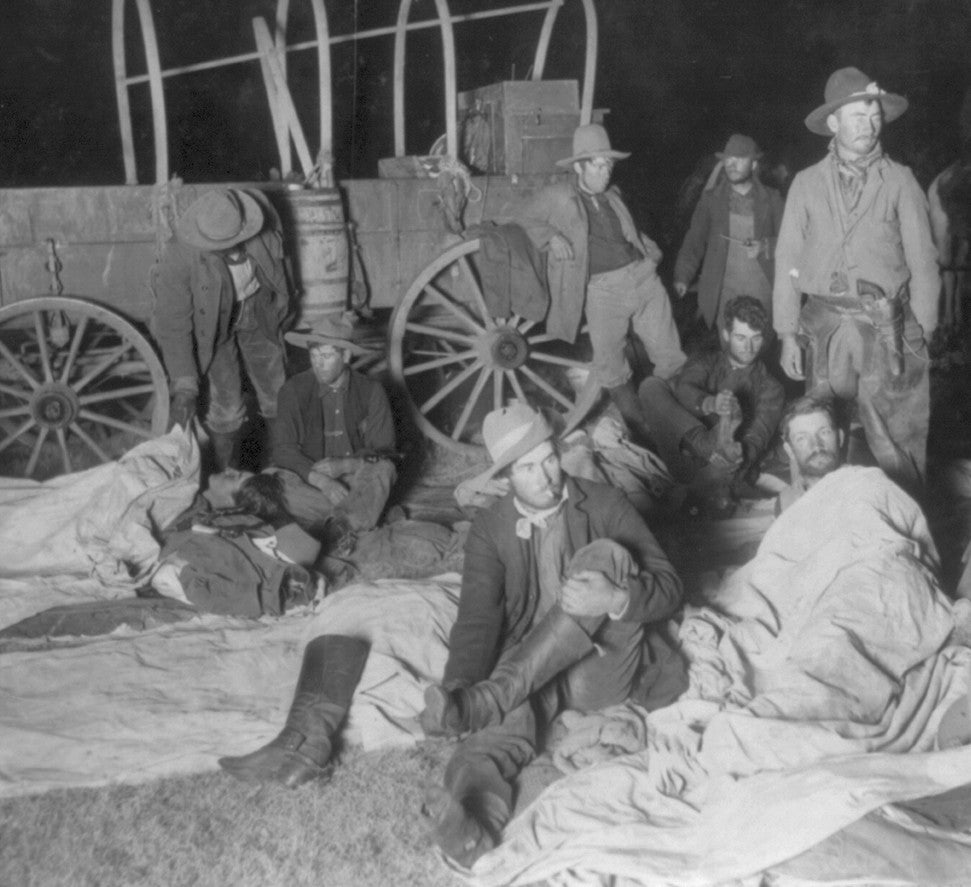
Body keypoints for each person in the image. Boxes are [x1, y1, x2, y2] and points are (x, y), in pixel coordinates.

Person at [419, 403, 683, 867]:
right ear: (504, 478)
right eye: (527, 467)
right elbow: (478, 620)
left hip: (600, 666)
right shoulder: (490, 526)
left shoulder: (605, 502)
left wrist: (617, 596)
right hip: (531, 660)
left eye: (549, 458)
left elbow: (670, 588)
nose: (546, 477)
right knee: (503, 724)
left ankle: (489, 698)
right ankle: (472, 827)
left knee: (604, 554)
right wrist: (459, 684)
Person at [773, 67, 940, 492]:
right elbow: (787, 260)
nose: (869, 126)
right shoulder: (806, 184)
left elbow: (924, 265)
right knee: (822, 436)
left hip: (886, 327)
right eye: (857, 117)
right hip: (825, 329)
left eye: (874, 117)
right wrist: (787, 333)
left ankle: (903, 525)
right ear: (833, 123)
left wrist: (920, 334)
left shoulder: (900, 180)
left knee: (896, 438)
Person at [519, 124, 687, 442]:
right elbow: (524, 216)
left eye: (609, 165)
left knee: (670, 356)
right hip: (603, 290)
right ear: (579, 166)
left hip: (643, 279)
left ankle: (672, 423)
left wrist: (651, 255)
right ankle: (643, 433)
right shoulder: (558, 196)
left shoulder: (614, 196)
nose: (606, 172)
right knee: (610, 365)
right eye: (599, 165)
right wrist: (551, 237)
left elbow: (630, 233)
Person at [152, 188, 294, 469]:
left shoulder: (262, 228)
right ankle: (224, 474)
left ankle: (283, 468)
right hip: (213, 325)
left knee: (278, 393)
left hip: (257, 310)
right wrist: (185, 386)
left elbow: (282, 272)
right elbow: (173, 322)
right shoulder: (179, 256)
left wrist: (281, 313)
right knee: (226, 406)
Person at [269, 315, 397, 549]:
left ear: (346, 356)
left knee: (383, 470)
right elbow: (283, 450)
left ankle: (336, 527)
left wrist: (345, 466)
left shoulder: (371, 391)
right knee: (272, 481)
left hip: (356, 482)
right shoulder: (293, 390)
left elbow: (385, 451)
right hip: (312, 483)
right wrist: (322, 481)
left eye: (327, 356)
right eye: (314, 356)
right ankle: (357, 519)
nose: (318, 364)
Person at [638, 296, 784, 498]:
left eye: (756, 338)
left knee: (712, 495)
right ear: (726, 334)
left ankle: (696, 487)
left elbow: (757, 436)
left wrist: (736, 458)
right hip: (683, 449)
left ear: (764, 338)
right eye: (741, 338)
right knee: (650, 387)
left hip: (722, 465)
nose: (749, 347)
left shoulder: (771, 387)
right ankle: (702, 445)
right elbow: (684, 388)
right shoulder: (707, 360)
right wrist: (710, 403)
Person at [673, 134, 785, 329]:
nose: (731, 165)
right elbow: (694, 240)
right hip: (724, 291)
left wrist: (765, 246)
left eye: (739, 159)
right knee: (729, 348)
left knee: (759, 345)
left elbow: (792, 242)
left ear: (754, 165)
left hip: (763, 291)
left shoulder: (773, 199)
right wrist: (683, 275)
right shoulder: (710, 200)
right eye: (728, 160)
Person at [775, 395, 844, 513]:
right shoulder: (786, 503)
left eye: (824, 432)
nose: (816, 446)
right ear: (789, 450)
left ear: (840, 437)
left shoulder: (868, 486)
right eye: (802, 438)